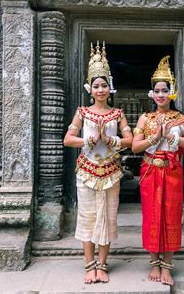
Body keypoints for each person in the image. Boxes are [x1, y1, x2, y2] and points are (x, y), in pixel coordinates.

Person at [63, 42, 133, 284]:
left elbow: (130, 140)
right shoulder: (82, 112)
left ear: (109, 88)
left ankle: (103, 265)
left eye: (104, 85)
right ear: (89, 89)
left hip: (111, 173)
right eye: (96, 86)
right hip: (86, 172)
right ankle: (89, 265)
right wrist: (88, 140)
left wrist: (109, 139)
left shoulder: (118, 114)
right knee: (87, 217)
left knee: (108, 218)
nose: (100, 89)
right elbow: (68, 139)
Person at [132, 56, 184, 286]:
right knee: (151, 217)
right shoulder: (145, 118)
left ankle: (167, 267)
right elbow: (135, 146)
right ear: (152, 94)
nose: (160, 94)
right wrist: (155, 137)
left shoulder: (180, 119)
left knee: (170, 217)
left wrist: (171, 136)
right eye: (157, 90)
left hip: (171, 173)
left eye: (164, 90)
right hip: (150, 171)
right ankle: (154, 264)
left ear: (172, 92)